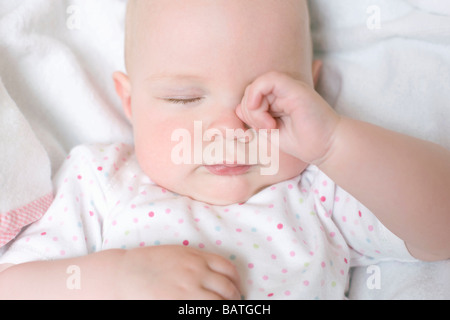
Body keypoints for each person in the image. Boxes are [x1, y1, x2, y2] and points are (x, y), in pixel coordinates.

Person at [0, 0, 449, 300]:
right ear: (131, 103)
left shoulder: (321, 188)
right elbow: (13, 286)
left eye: (267, 98)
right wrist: (115, 278)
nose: (229, 128)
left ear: (310, 90)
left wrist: (335, 142)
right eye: (184, 99)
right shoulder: (103, 182)